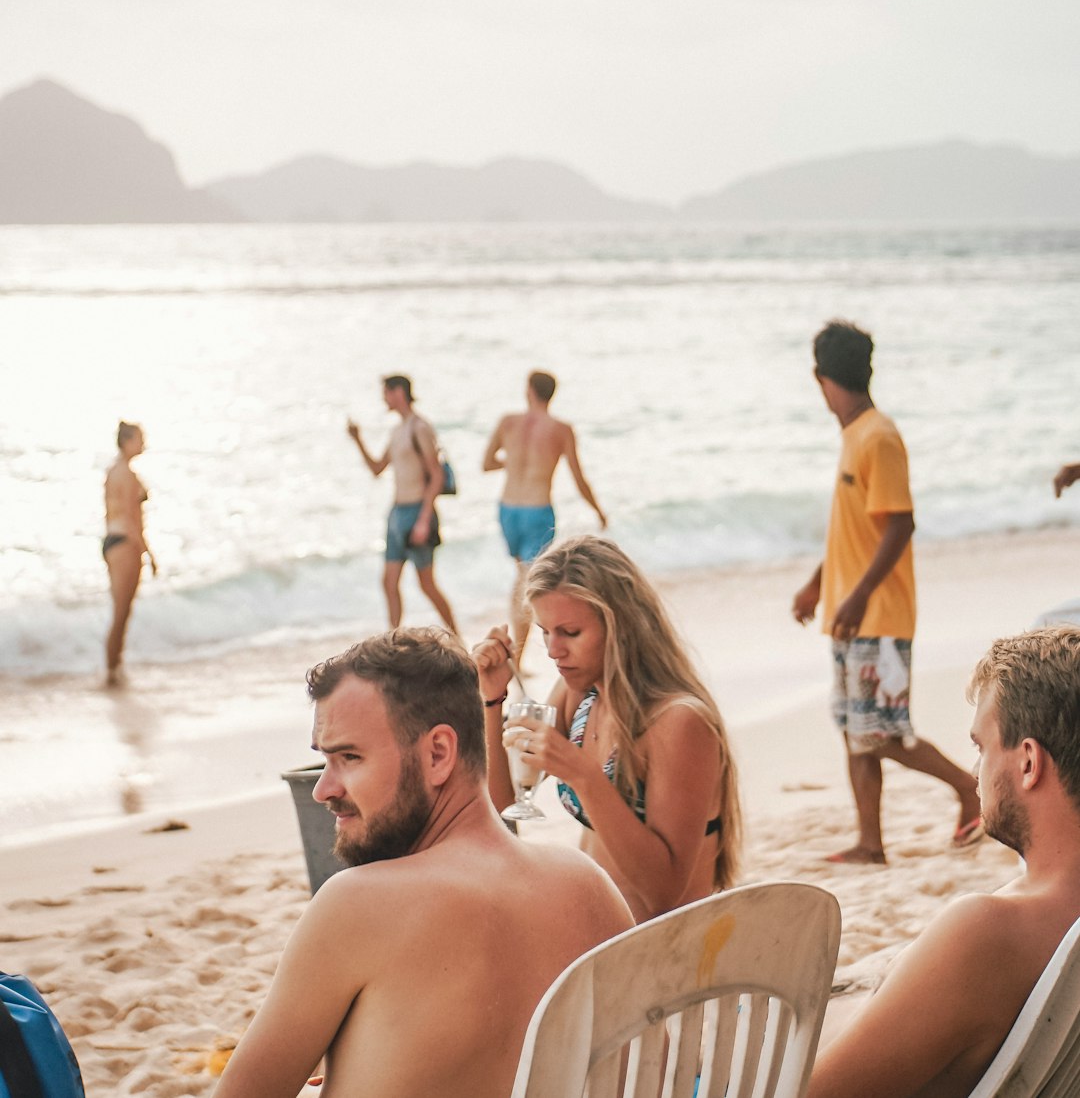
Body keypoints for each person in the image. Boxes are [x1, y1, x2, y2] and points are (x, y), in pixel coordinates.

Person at [215, 628, 631, 1098]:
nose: (323, 789)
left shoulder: (357, 905)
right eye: (325, 762)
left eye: (350, 757)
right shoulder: (590, 888)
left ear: (438, 754)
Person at [808, 625, 1080, 1098]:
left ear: (1029, 763)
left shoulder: (989, 932)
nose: (975, 772)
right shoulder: (1051, 922)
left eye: (981, 747)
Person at [475, 533, 741, 924]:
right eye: (546, 632)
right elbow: (502, 814)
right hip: (597, 934)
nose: (553, 651)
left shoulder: (679, 722)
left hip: (661, 946)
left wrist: (583, 774)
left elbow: (664, 893)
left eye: (570, 632)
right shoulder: (578, 696)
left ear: (622, 625)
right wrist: (492, 700)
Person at [793, 320, 981, 864]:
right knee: (856, 731)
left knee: (883, 735)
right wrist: (818, 584)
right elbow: (861, 530)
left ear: (821, 377)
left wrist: (854, 597)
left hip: (878, 615)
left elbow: (900, 525)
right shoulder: (856, 436)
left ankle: (967, 789)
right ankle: (870, 843)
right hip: (852, 615)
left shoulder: (879, 436)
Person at [482, 369, 607, 651]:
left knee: (522, 576)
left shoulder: (507, 422)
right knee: (527, 581)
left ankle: (517, 654)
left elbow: (487, 463)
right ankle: (517, 657)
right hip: (537, 510)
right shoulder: (561, 429)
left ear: (529, 391)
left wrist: (513, 461)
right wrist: (598, 510)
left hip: (507, 509)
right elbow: (578, 477)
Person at [347, 375, 458, 635]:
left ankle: (457, 636)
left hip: (417, 511)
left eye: (386, 392)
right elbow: (377, 468)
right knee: (389, 581)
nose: (383, 398)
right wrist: (357, 439)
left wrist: (423, 518)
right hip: (397, 513)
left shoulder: (419, 427)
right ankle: (392, 640)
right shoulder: (397, 431)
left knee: (426, 584)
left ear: (399, 392)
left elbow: (436, 475)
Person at [102, 420, 157, 685]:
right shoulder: (126, 474)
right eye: (139, 438)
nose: (143, 443)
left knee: (120, 611)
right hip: (125, 543)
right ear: (127, 441)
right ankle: (113, 670)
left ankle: (115, 666)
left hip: (112, 541)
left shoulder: (113, 471)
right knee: (122, 612)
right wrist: (147, 552)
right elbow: (132, 518)